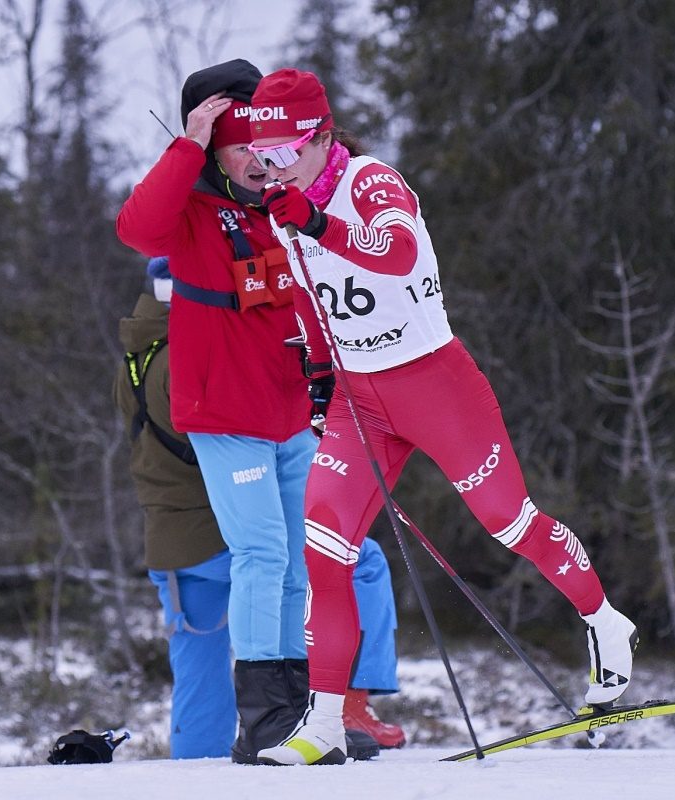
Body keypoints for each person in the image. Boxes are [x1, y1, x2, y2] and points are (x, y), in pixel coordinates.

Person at [245, 69, 639, 766]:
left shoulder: (370, 183)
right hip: (358, 398)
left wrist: (316, 221)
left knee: (510, 523)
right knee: (324, 549)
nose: (273, 169)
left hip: (435, 386)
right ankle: (325, 722)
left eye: (283, 154)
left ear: (321, 138)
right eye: (261, 157)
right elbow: (308, 296)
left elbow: (394, 255)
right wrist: (316, 375)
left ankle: (607, 623)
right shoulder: (288, 206)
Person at [114, 62, 404, 762]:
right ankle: (266, 717)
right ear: (214, 144)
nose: (255, 156)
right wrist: (188, 145)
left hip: (290, 415)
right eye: (239, 140)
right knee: (262, 553)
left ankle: (307, 711)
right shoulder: (189, 209)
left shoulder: (283, 203)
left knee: (306, 563)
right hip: (223, 415)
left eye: (265, 138)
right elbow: (136, 229)